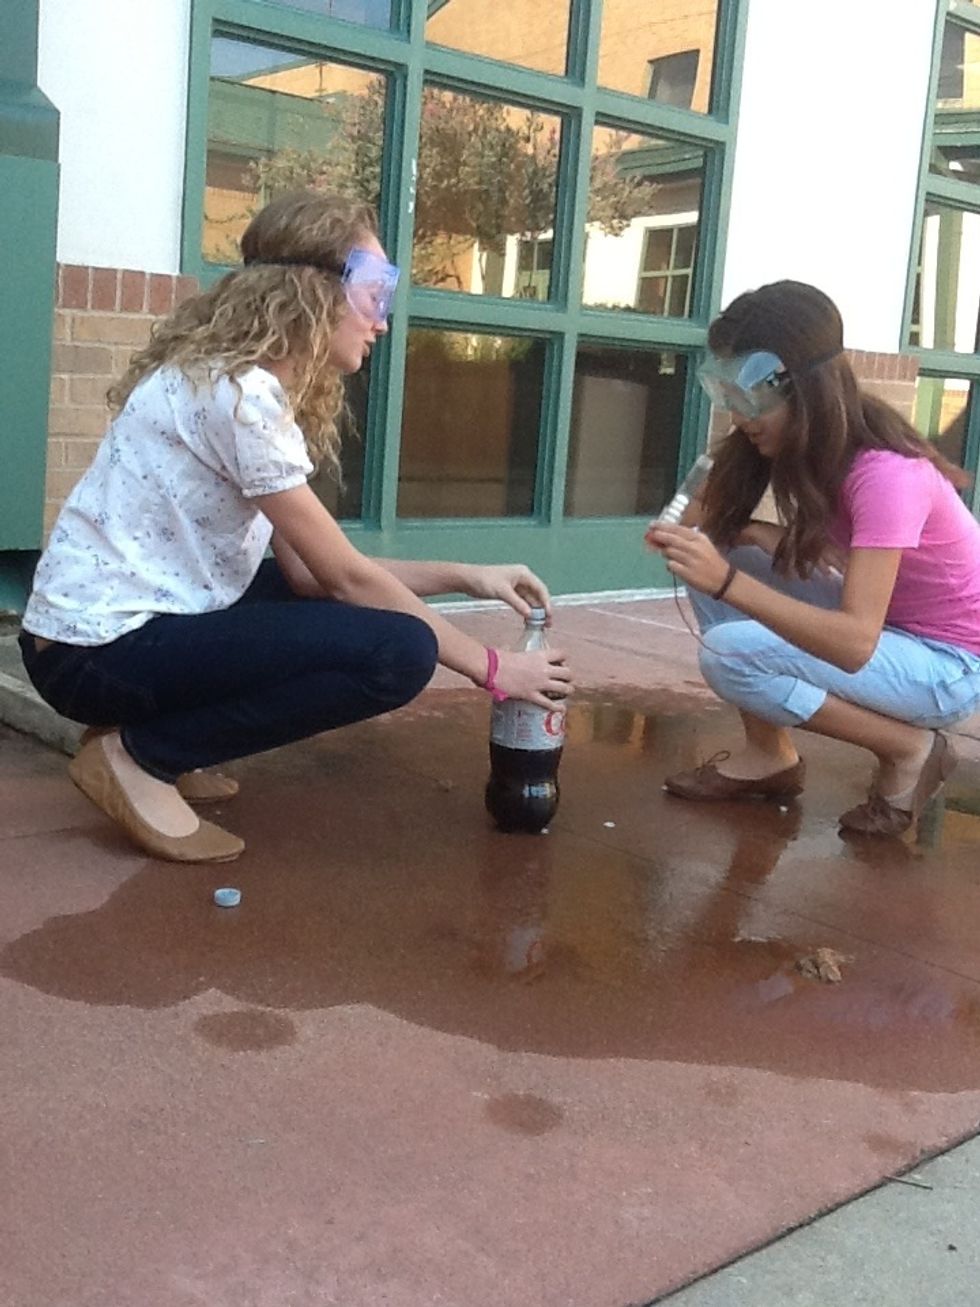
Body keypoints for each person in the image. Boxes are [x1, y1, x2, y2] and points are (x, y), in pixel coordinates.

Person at [19, 190, 572, 864]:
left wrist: (468, 576)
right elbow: (343, 575)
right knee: (398, 653)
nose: (382, 320)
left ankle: (165, 737)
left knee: (294, 588)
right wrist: (494, 668)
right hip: (94, 656)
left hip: (92, 639)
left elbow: (314, 574)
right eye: (374, 291)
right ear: (309, 291)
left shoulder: (230, 382)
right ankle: (142, 754)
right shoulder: (241, 396)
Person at [645, 280, 980, 837]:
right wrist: (726, 528)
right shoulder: (812, 443)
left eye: (748, 393)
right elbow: (695, 524)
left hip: (948, 667)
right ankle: (769, 755)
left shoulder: (885, 475)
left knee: (731, 654)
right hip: (893, 630)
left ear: (802, 384)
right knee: (715, 548)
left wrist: (728, 581)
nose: (737, 411)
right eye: (725, 391)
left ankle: (908, 747)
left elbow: (854, 643)